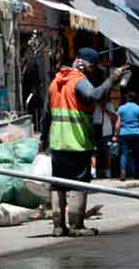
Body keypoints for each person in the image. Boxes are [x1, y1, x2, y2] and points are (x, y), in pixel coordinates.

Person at [44, 47, 128, 237]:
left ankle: (58, 227)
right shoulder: (79, 81)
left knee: (58, 184)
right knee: (78, 184)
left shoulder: (54, 83)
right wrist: (112, 79)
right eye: (92, 68)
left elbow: (46, 115)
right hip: (77, 142)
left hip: (57, 144)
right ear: (86, 64)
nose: (92, 72)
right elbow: (95, 95)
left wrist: (43, 140)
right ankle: (76, 226)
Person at [114, 91, 139, 182]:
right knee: (137, 154)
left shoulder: (121, 108)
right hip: (136, 134)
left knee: (124, 154)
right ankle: (137, 173)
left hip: (124, 134)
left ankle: (123, 172)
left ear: (127, 98)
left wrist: (115, 135)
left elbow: (118, 124)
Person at [92, 92, 118, 179]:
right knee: (94, 151)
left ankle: (107, 171)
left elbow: (115, 117)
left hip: (106, 131)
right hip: (95, 129)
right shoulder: (93, 105)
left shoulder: (109, 105)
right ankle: (93, 171)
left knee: (107, 152)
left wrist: (104, 109)